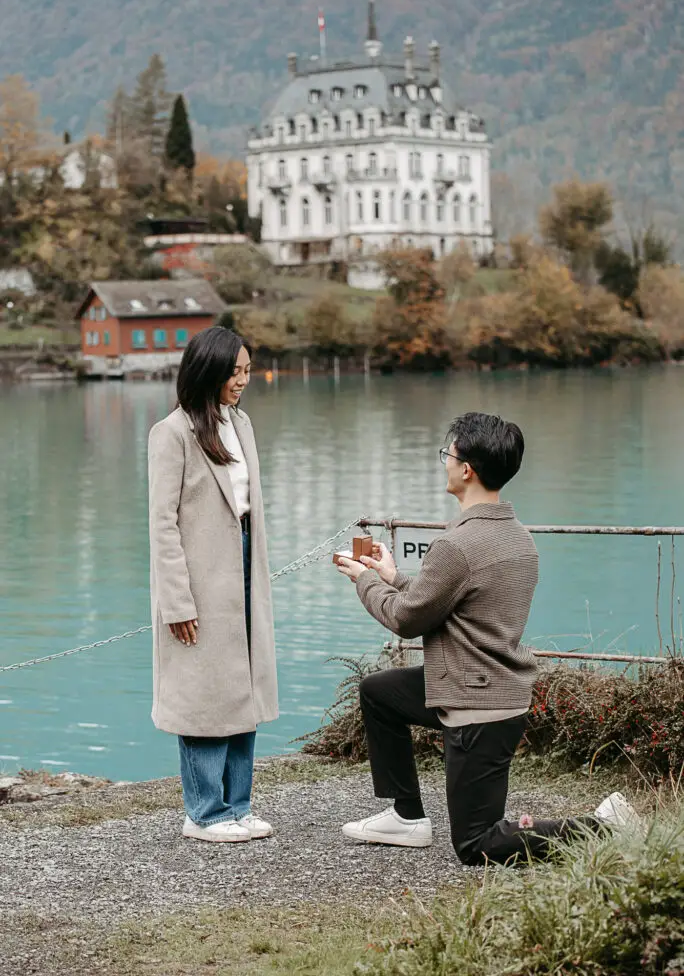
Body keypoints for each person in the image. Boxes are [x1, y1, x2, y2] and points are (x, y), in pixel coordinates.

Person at [335, 412, 638, 865]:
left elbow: (405, 619)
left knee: (477, 844)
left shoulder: (457, 544)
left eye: (447, 455)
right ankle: (406, 815)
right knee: (379, 693)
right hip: (486, 687)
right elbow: (455, 601)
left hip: (478, 707)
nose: (445, 463)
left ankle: (601, 825)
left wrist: (365, 580)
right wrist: (394, 575)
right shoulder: (517, 537)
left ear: (466, 469)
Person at [148, 327, 278, 843]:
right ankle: (204, 812)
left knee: (241, 684)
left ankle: (238, 806)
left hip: (244, 564)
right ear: (210, 370)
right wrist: (176, 601)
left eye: (248, 370)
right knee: (203, 691)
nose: (244, 380)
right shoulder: (171, 432)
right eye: (236, 371)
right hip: (199, 574)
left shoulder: (241, 423)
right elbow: (162, 524)